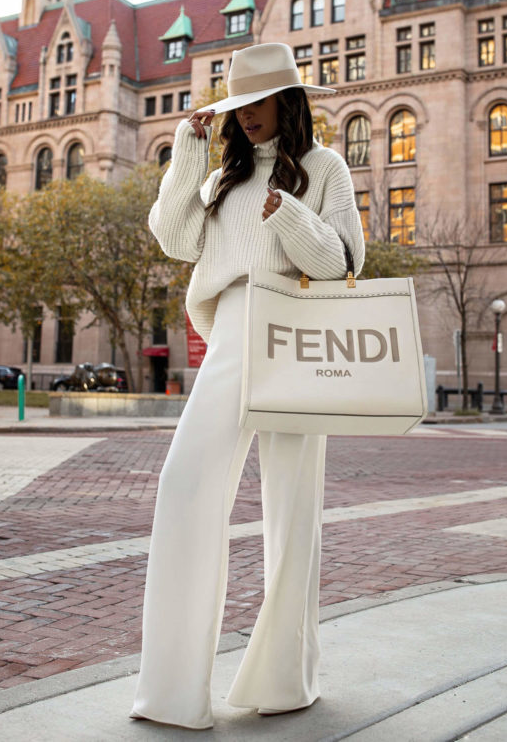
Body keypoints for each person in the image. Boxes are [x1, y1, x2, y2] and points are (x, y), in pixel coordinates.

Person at [130, 42, 365, 729]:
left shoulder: (325, 168)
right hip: (234, 330)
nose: (249, 116)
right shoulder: (224, 176)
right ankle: (172, 692)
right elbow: (175, 238)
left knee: (292, 513)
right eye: (238, 106)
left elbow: (345, 261)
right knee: (185, 485)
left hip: (297, 333)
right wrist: (187, 150)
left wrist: (287, 214)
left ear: (287, 102)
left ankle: (283, 682)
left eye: (260, 102)